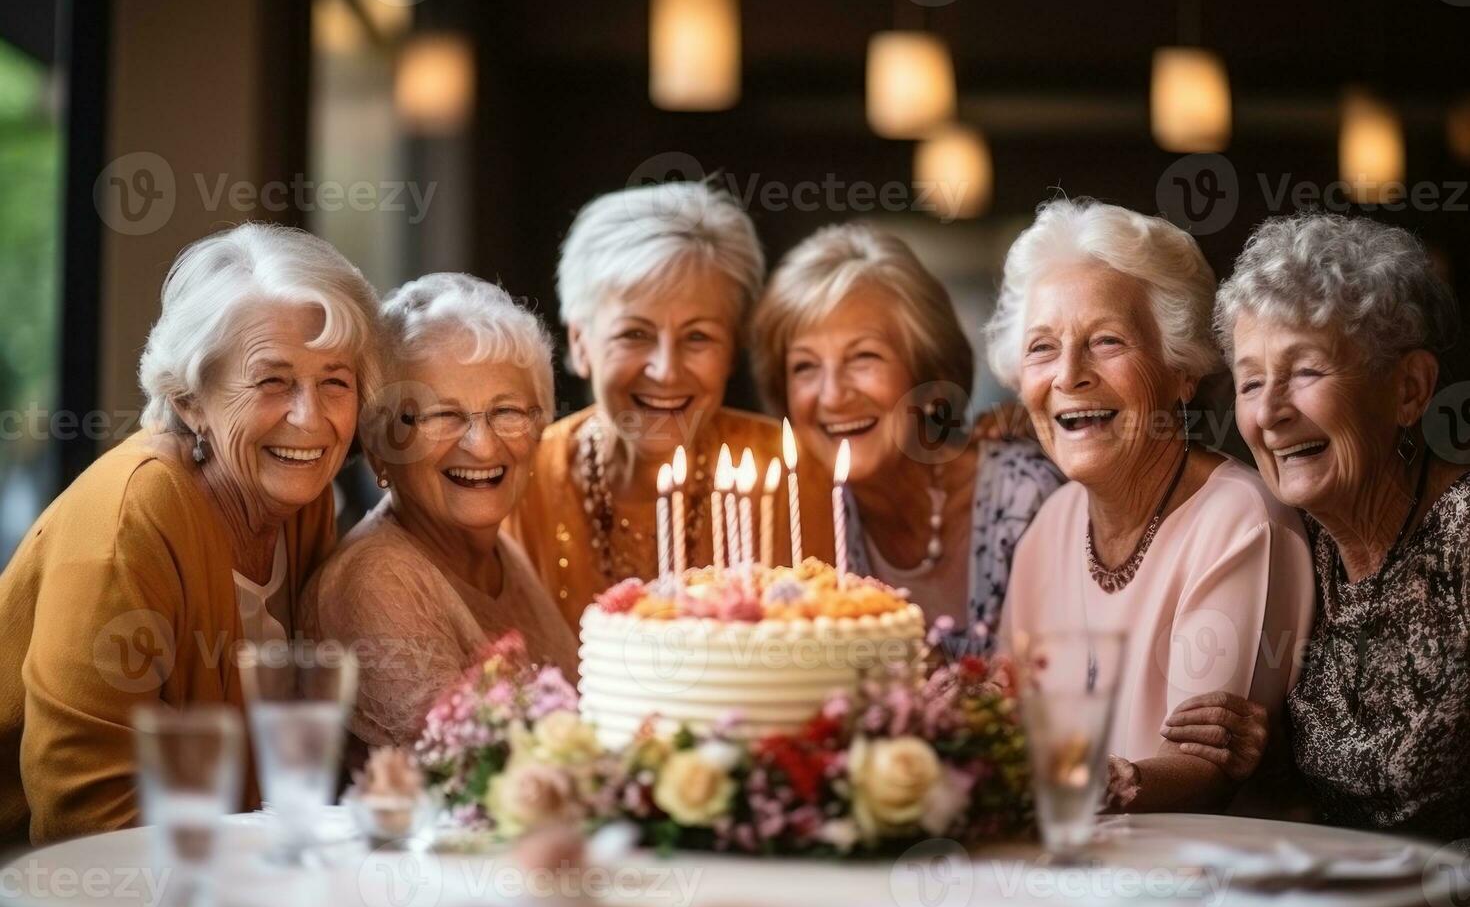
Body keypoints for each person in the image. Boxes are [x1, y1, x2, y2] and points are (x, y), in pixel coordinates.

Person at [0, 224, 381, 844]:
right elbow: (86, 822)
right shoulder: (132, 519)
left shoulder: (302, 501)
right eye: (272, 381)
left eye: (335, 381)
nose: (310, 419)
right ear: (189, 399)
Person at [990, 198, 1315, 812]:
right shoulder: (1050, 527)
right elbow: (1005, 723)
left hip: (1198, 885)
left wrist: (1091, 781)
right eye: (1041, 348)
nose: (1068, 375)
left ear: (1181, 370)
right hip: (1061, 874)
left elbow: (1205, 768)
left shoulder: (1239, 521)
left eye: (1106, 340)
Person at [1207, 212, 1468, 840]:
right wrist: (1264, 759)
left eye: (1306, 371)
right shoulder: (1298, 546)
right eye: (1250, 381)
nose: (1269, 413)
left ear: (1409, 389)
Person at [301, 274, 577, 750]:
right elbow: (473, 772)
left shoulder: (501, 552)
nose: (482, 444)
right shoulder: (375, 582)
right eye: (441, 415)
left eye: (507, 411)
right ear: (380, 448)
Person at [752, 222, 1062, 647]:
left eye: (863, 357)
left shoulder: (1026, 498)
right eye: (804, 366)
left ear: (928, 373)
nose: (832, 395)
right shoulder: (796, 520)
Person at [509, 181, 787, 625]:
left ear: (732, 350)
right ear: (581, 344)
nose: (666, 370)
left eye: (698, 337)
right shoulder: (518, 479)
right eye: (634, 334)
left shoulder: (790, 470)